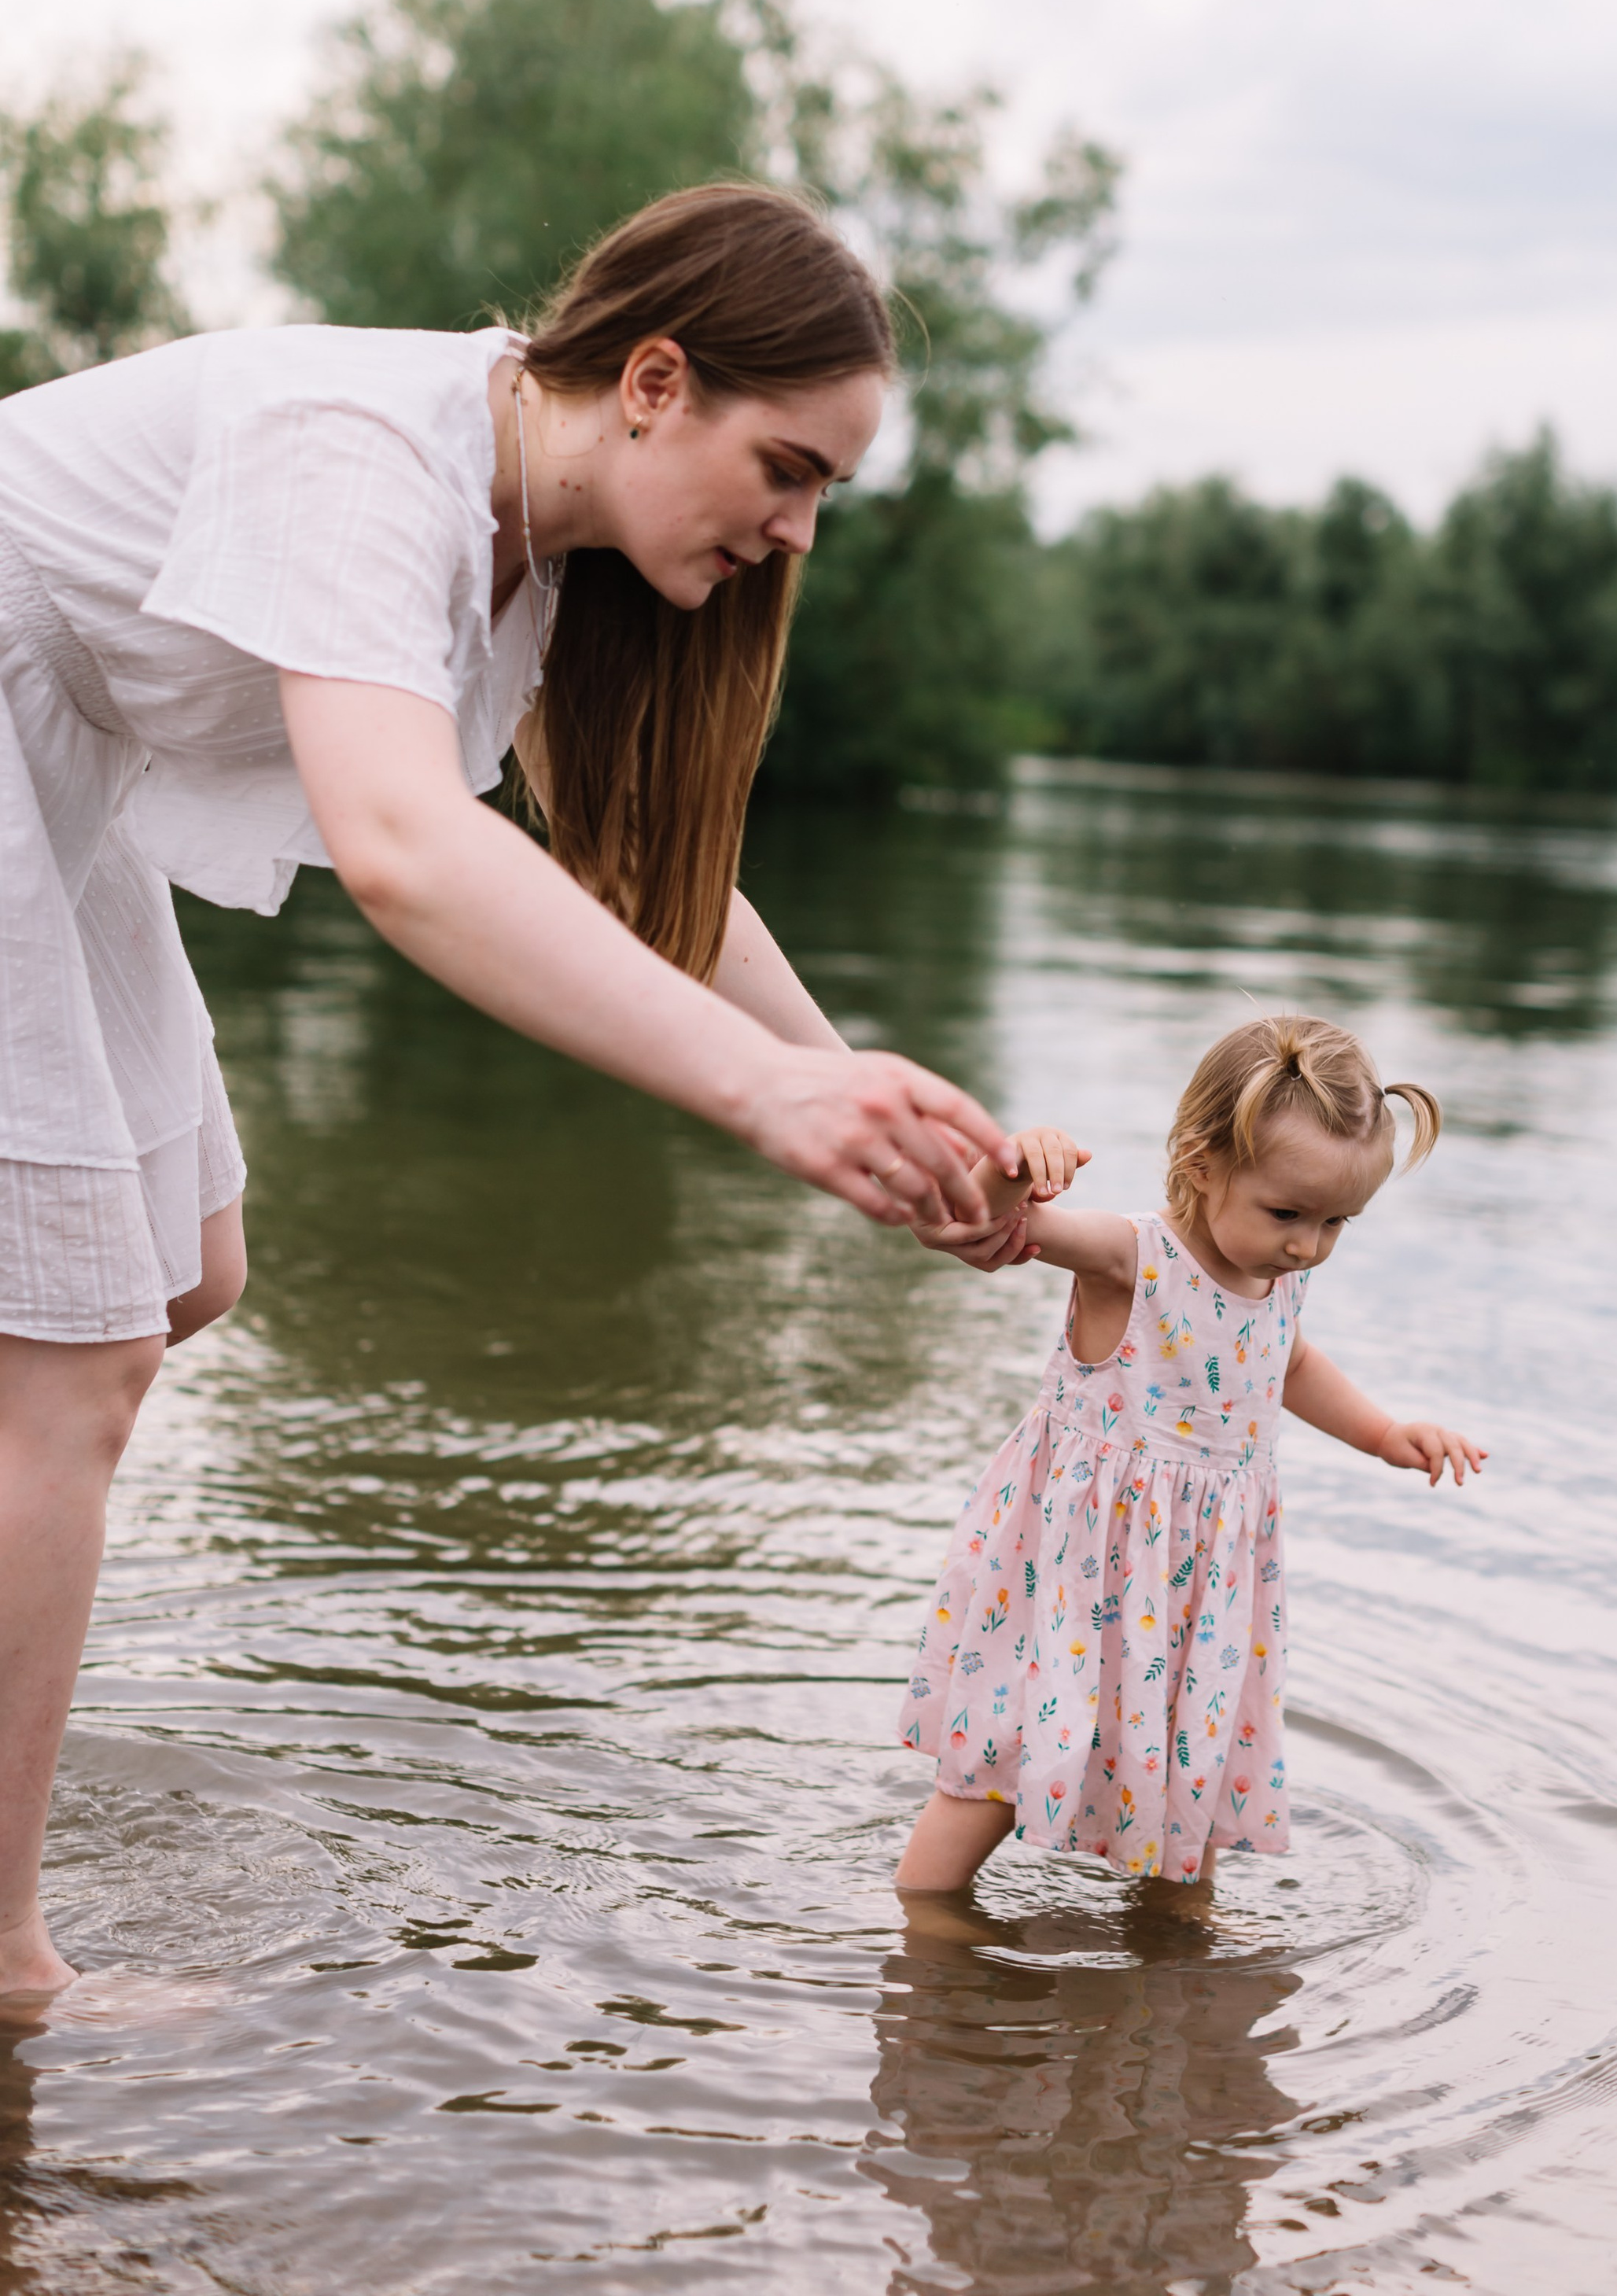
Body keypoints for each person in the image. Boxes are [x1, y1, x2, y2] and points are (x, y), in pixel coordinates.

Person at [0, 180, 1016, 1999]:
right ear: (648, 380)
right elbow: (400, 845)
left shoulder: (542, 556)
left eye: (824, 498)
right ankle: (1, 1957)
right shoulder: (359, 453)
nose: (794, 531)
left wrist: (847, 1088)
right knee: (69, 1363)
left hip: (45, 754)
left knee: (180, 1274)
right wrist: (760, 1105)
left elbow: (640, 878)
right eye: (785, 468)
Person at [894, 1015, 1486, 1893]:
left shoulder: (1282, 1279)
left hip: (1199, 1586)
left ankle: (1176, 1942)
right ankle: (926, 1920)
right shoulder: (1128, 1259)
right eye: (1287, 1214)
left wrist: (1384, 1435)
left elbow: (1290, 1362)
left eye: (1335, 1223)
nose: (1308, 1245)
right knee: (1012, 1746)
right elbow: (970, 1223)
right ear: (1203, 1164)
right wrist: (1011, 1166)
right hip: (1087, 1572)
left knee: (1189, 1761)